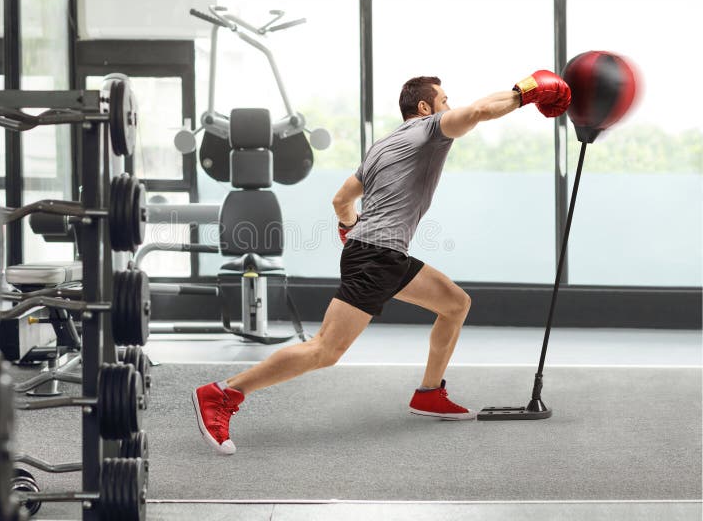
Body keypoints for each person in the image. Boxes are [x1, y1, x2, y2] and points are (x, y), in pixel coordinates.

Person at [193, 70, 571, 455]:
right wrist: (525, 92)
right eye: (444, 101)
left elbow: (341, 200)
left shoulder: (382, 147)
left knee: (455, 304)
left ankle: (429, 393)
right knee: (325, 350)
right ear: (424, 108)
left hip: (384, 254)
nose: (449, 108)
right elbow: (478, 112)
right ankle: (223, 394)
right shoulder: (428, 129)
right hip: (375, 256)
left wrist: (350, 226)